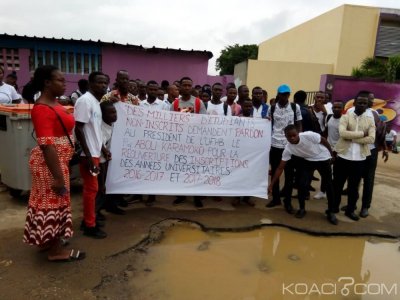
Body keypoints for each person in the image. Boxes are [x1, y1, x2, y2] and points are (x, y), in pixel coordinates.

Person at [23, 65, 85, 262]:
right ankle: (56, 251)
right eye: (60, 80)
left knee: (48, 203)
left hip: (57, 163)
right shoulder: (42, 109)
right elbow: (46, 146)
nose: (64, 83)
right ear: (47, 83)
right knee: (54, 204)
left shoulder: (54, 103)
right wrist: (58, 178)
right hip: (50, 166)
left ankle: (47, 240)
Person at [268, 125, 338, 224]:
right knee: (301, 184)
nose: (292, 138)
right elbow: (280, 168)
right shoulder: (288, 149)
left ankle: (331, 212)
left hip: (322, 157)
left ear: (298, 133)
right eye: (289, 136)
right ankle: (302, 209)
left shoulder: (308, 135)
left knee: (328, 185)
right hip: (308, 161)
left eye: (294, 135)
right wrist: (271, 185)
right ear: (286, 137)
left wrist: (331, 154)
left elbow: (323, 140)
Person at [74, 71, 108, 238]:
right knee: (91, 189)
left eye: (105, 83)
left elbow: (94, 131)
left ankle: (88, 219)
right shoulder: (85, 101)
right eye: (99, 82)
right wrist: (88, 156)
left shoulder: (95, 102)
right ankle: (89, 226)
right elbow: (78, 129)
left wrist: (103, 149)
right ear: (90, 83)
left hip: (95, 151)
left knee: (92, 189)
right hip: (88, 155)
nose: (103, 85)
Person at [333, 91, 376, 221]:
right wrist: (362, 133)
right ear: (355, 103)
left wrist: (352, 137)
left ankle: (350, 210)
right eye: (360, 102)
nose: (362, 105)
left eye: (365, 103)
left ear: (367, 104)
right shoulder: (346, 116)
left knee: (353, 188)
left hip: (360, 159)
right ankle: (333, 208)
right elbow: (342, 133)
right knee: (337, 185)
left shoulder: (370, 119)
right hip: (343, 157)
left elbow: (372, 139)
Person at [171, 76, 206, 207]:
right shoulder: (174, 104)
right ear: (179, 87)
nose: (186, 87)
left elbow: (205, 122)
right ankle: (181, 194)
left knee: (195, 170)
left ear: (191, 87)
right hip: (180, 142)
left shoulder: (198, 103)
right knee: (181, 169)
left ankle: (196, 196)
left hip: (195, 142)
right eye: (184, 85)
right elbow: (169, 122)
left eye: (188, 85)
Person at [266, 84, 302, 211]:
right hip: (275, 144)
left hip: (290, 145)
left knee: (289, 174)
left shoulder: (294, 107)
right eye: (282, 94)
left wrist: (298, 140)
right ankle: (276, 199)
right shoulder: (272, 107)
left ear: (289, 95)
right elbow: (268, 124)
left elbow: (299, 124)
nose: (284, 96)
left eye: (287, 94)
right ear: (278, 94)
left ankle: (288, 201)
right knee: (275, 171)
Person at [96, 101, 119, 222]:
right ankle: (96, 212)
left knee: (109, 185)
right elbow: (98, 143)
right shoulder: (100, 126)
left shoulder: (114, 125)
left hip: (109, 159)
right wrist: (104, 151)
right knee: (101, 187)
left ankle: (109, 205)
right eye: (110, 113)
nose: (114, 115)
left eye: (115, 112)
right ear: (102, 115)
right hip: (100, 161)